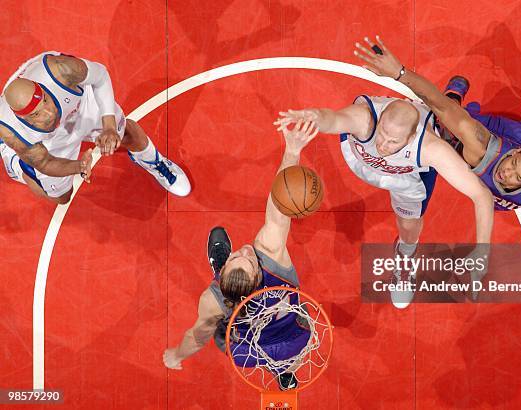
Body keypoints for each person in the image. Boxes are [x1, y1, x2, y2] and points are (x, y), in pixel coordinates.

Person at [354, 35, 521, 265]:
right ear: (514, 153)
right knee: (446, 124)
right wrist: (399, 73)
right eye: (512, 164)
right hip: (490, 134)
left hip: (518, 142)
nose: (507, 173)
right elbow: (437, 103)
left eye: (517, 177)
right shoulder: (481, 148)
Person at [274, 82, 494, 308]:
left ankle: (406, 257)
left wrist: (483, 249)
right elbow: (333, 119)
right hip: (361, 161)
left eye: (393, 141)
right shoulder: (365, 120)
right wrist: (314, 117)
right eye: (383, 134)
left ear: (409, 138)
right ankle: (449, 101)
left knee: (408, 228)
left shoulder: (430, 148)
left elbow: (481, 195)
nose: (383, 145)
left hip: (405, 178)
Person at [163, 120, 320, 390]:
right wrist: (292, 152)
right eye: (245, 258)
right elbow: (279, 208)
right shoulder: (270, 257)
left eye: (237, 255)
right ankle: (286, 374)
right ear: (259, 273)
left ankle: (280, 368)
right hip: (294, 337)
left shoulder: (212, 300)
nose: (246, 250)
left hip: (250, 351)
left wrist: (176, 355)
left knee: (218, 329)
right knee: (294, 352)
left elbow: (198, 337)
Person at [0, 51, 191, 204]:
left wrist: (108, 126)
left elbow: (100, 76)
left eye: (45, 101)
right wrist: (79, 166)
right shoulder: (13, 132)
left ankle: (154, 162)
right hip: (46, 142)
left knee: (122, 132)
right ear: (21, 116)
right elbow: (46, 163)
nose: (49, 113)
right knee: (62, 197)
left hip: (78, 107)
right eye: (36, 114)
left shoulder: (61, 71)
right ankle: (17, 165)